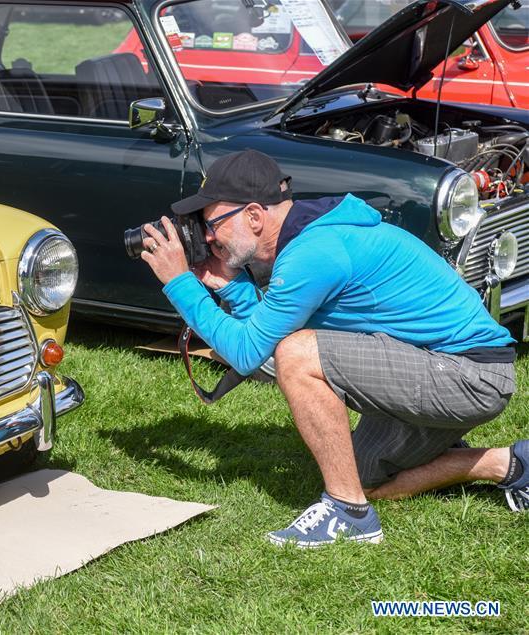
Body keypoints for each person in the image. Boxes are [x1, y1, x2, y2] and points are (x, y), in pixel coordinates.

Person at [140, 149, 528, 548]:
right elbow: (263, 335)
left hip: (471, 376)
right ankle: (509, 463)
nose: (206, 237)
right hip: (438, 365)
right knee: (362, 475)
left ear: (254, 216)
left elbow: (247, 352)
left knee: (298, 354)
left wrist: (179, 283)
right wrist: (233, 288)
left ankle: (349, 511)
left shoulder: (315, 252)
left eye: (212, 223)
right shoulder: (314, 239)